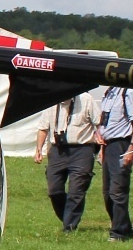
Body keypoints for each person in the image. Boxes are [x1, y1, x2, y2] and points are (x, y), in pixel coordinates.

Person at [33, 88, 101, 233]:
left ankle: (69, 227)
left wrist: (101, 143)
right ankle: (67, 217)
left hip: (82, 149)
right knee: (54, 190)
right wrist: (39, 149)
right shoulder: (51, 100)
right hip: (58, 150)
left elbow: (99, 123)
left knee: (76, 190)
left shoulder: (86, 99)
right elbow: (43, 127)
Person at [96, 86, 133, 242]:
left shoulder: (128, 92)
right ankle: (125, 227)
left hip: (121, 144)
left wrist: (132, 148)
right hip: (107, 145)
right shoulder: (109, 92)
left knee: (117, 190)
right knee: (107, 192)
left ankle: (118, 233)